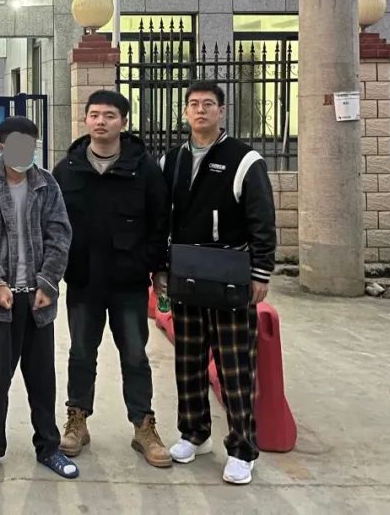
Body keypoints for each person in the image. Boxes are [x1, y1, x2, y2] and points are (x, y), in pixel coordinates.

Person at [159, 81, 277, 486]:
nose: (200, 110)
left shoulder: (244, 159)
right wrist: (161, 268)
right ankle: (195, 433)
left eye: (208, 104)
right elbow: (161, 217)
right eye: (193, 104)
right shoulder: (172, 160)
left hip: (229, 273)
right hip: (186, 272)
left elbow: (262, 219)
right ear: (185, 112)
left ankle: (242, 450)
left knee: (234, 365)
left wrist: (260, 272)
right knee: (188, 360)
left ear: (221, 111)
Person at [53, 90, 171, 468]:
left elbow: (160, 223)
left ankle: (144, 426)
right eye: (94, 115)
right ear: (85, 120)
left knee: (134, 354)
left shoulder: (145, 169)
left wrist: (152, 265)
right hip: (84, 280)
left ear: (123, 121)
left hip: (128, 283)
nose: (101, 121)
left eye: (109, 115)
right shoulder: (67, 169)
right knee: (81, 352)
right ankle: (77, 421)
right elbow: (52, 225)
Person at [0, 116, 78, 481]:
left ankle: (49, 447)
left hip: (38, 301)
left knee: (42, 380)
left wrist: (47, 282)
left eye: (30, 146)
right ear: (0, 147)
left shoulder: (46, 184)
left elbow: (60, 235)